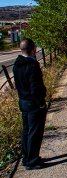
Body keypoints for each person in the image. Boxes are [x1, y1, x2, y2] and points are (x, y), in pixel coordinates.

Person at [13, 39, 48, 170]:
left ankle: (26, 157)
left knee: (26, 131)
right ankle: (33, 160)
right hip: (33, 103)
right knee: (35, 133)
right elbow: (35, 88)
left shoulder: (17, 64)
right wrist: (41, 103)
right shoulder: (32, 65)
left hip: (23, 101)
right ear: (33, 49)